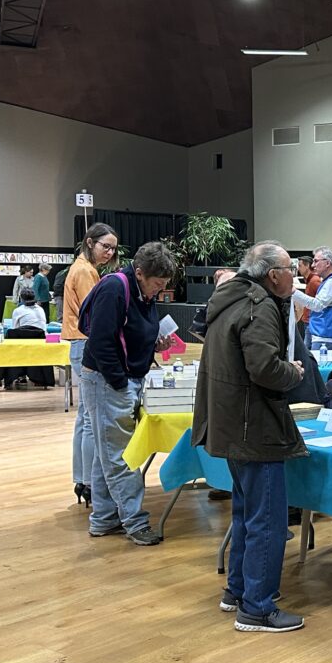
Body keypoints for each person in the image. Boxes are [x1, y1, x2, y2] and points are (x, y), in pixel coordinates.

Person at [193, 241, 307, 633]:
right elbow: (264, 368)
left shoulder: (230, 299)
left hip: (231, 424)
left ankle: (238, 591)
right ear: (273, 274)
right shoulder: (260, 307)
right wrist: (293, 371)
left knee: (246, 515)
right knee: (268, 521)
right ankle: (257, 608)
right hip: (254, 427)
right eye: (292, 269)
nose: (297, 275)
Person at [80, 241, 176, 546]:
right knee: (121, 456)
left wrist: (153, 345)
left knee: (106, 453)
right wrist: (120, 383)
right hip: (107, 381)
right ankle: (135, 522)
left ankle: (104, 519)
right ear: (139, 273)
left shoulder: (143, 293)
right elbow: (100, 341)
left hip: (126, 378)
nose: (159, 291)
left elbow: (135, 332)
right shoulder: (114, 289)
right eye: (157, 284)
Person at [63, 223, 119, 508]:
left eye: (112, 248)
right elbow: (95, 313)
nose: (109, 252)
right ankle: (87, 481)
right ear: (89, 242)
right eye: (104, 246)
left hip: (79, 341)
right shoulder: (85, 271)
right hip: (85, 342)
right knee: (88, 418)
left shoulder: (84, 267)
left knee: (84, 415)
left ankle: (83, 479)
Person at [292, 246, 332, 352]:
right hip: (326, 336)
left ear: (327, 263)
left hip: (326, 338)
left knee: (318, 368)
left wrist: (293, 292)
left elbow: (317, 305)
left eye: (316, 261)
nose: (313, 265)